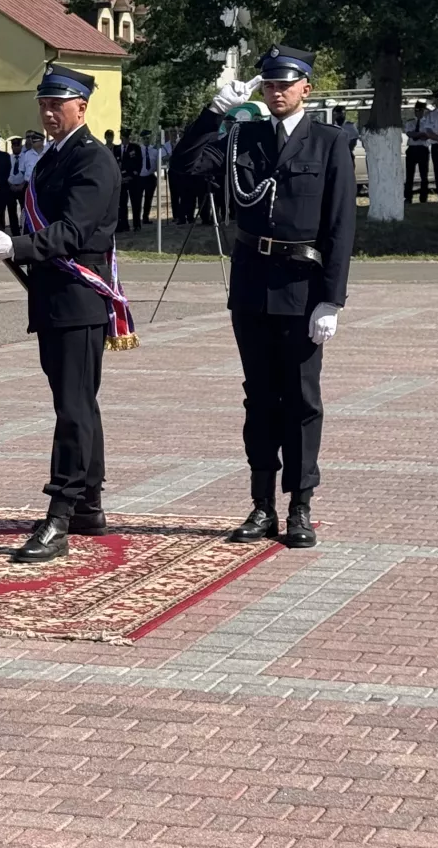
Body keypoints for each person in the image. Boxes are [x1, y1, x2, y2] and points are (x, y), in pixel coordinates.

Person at [173, 45, 355, 550]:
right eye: (269, 84)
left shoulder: (328, 143)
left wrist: (331, 300)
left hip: (302, 286)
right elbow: (187, 165)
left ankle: (300, 505)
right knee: (259, 399)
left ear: (305, 89)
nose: (276, 92)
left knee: (300, 400)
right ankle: (261, 505)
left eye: (285, 84)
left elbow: (341, 226)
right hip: (252, 284)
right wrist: (213, 112)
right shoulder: (243, 137)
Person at [0, 65, 126, 562]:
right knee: (80, 402)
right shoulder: (48, 159)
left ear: (81, 108)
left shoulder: (92, 160)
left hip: (78, 298)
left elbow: (72, 232)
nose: (47, 112)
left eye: (56, 104)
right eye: (43, 103)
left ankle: (60, 514)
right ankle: (88, 503)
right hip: (53, 299)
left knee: (73, 407)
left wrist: (15, 246)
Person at [403, 100, 433, 205]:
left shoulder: (428, 123)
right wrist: (420, 134)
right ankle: (408, 198)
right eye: (416, 110)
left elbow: (428, 135)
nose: (418, 112)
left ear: (424, 111)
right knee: (409, 175)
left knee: (424, 175)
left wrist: (418, 135)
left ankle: (423, 198)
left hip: (423, 149)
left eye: (420, 110)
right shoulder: (410, 122)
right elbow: (410, 134)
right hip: (412, 149)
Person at [136, 131, 162, 227]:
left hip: (150, 177)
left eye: (148, 138)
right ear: (142, 140)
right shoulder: (138, 149)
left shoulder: (154, 150)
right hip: (139, 177)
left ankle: (145, 217)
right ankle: (136, 219)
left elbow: (157, 164)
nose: (146, 140)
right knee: (138, 200)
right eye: (144, 139)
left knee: (148, 199)